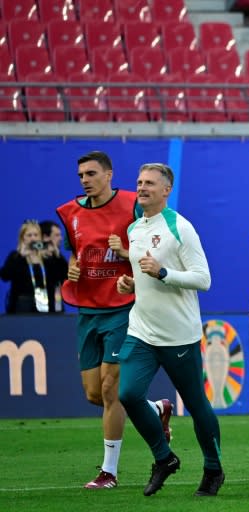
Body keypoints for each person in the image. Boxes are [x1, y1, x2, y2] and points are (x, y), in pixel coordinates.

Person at [56, 151, 172, 489]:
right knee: (95, 393)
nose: (85, 180)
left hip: (123, 308)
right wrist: (72, 265)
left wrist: (125, 253)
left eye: (91, 173)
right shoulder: (71, 212)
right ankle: (155, 408)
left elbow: (155, 245)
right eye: (81, 175)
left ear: (109, 175)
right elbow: (76, 250)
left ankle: (109, 472)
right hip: (88, 311)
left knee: (110, 389)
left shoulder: (133, 205)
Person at [116, 163, 224, 497]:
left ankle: (213, 470)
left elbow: (203, 279)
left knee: (196, 405)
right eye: (139, 182)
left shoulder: (181, 228)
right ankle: (164, 458)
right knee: (128, 395)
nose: (142, 187)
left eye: (150, 183)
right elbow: (146, 276)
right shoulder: (134, 228)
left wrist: (164, 273)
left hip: (179, 336)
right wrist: (131, 283)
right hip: (141, 330)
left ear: (167, 190)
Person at [1, 220, 67, 314]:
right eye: (29, 235)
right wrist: (20, 257)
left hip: (47, 306)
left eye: (36, 235)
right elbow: (5, 276)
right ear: (23, 238)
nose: (33, 238)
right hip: (22, 307)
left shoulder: (47, 257)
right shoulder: (16, 256)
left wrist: (57, 256)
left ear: (40, 237)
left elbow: (64, 276)